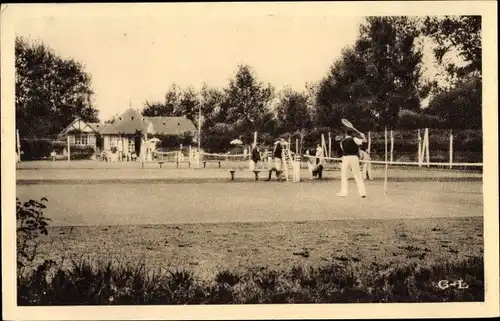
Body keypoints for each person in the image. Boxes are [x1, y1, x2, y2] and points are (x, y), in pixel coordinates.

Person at [336, 129, 367, 198]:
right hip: (354, 157)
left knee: (344, 176)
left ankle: (343, 193)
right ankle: (363, 193)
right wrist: (363, 136)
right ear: (352, 133)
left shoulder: (342, 142)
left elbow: (344, 150)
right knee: (357, 175)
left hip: (346, 158)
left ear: (346, 133)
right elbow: (365, 141)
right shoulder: (355, 139)